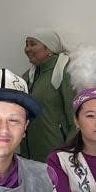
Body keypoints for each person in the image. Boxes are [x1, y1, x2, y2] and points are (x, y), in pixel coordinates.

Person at [21, 30, 77, 162]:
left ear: (49, 48)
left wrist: (68, 153)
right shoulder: (28, 77)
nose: (27, 49)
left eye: (32, 44)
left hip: (56, 155)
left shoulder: (64, 73)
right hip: (28, 156)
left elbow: (75, 119)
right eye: (26, 44)